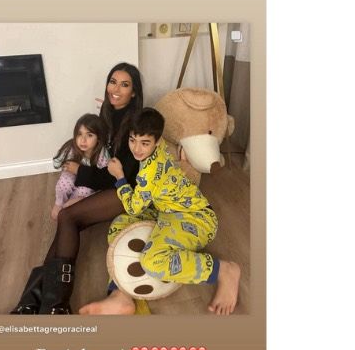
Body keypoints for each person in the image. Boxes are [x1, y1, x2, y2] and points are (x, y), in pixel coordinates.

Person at [78, 108, 241, 316]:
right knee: (119, 225)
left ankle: (223, 270)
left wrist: (119, 177)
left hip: (197, 218)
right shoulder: (159, 147)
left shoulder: (149, 174)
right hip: (167, 212)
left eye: (144, 143)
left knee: (153, 261)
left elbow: (133, 207)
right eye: (133, 140)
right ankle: (120, 294)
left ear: (157, 141)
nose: (137, 149)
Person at [10, 63, 143, 315]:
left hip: (127, 189)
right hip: (106, 183)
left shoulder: (135, 123)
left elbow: (117, 176)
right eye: (112, 82)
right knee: (67, 220)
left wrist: (79, 171)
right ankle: (31, 303)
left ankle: (53, 305)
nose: (116, 89)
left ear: (134, 92)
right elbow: (97, 154)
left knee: (68, 217)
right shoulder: (106, 113)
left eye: (124, 85)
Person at [51, 114, 110, 220]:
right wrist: (62, 164)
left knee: (85, 192)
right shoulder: (70, 147)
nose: (83, 140)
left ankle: (70, 205)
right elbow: (57, 161)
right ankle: (59, 203)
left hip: (88, 178)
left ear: (98, 138)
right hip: (71, 173)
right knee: (64, 183)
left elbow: (105, 174)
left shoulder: (102, 153)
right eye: (79, 134)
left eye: (89, 135)